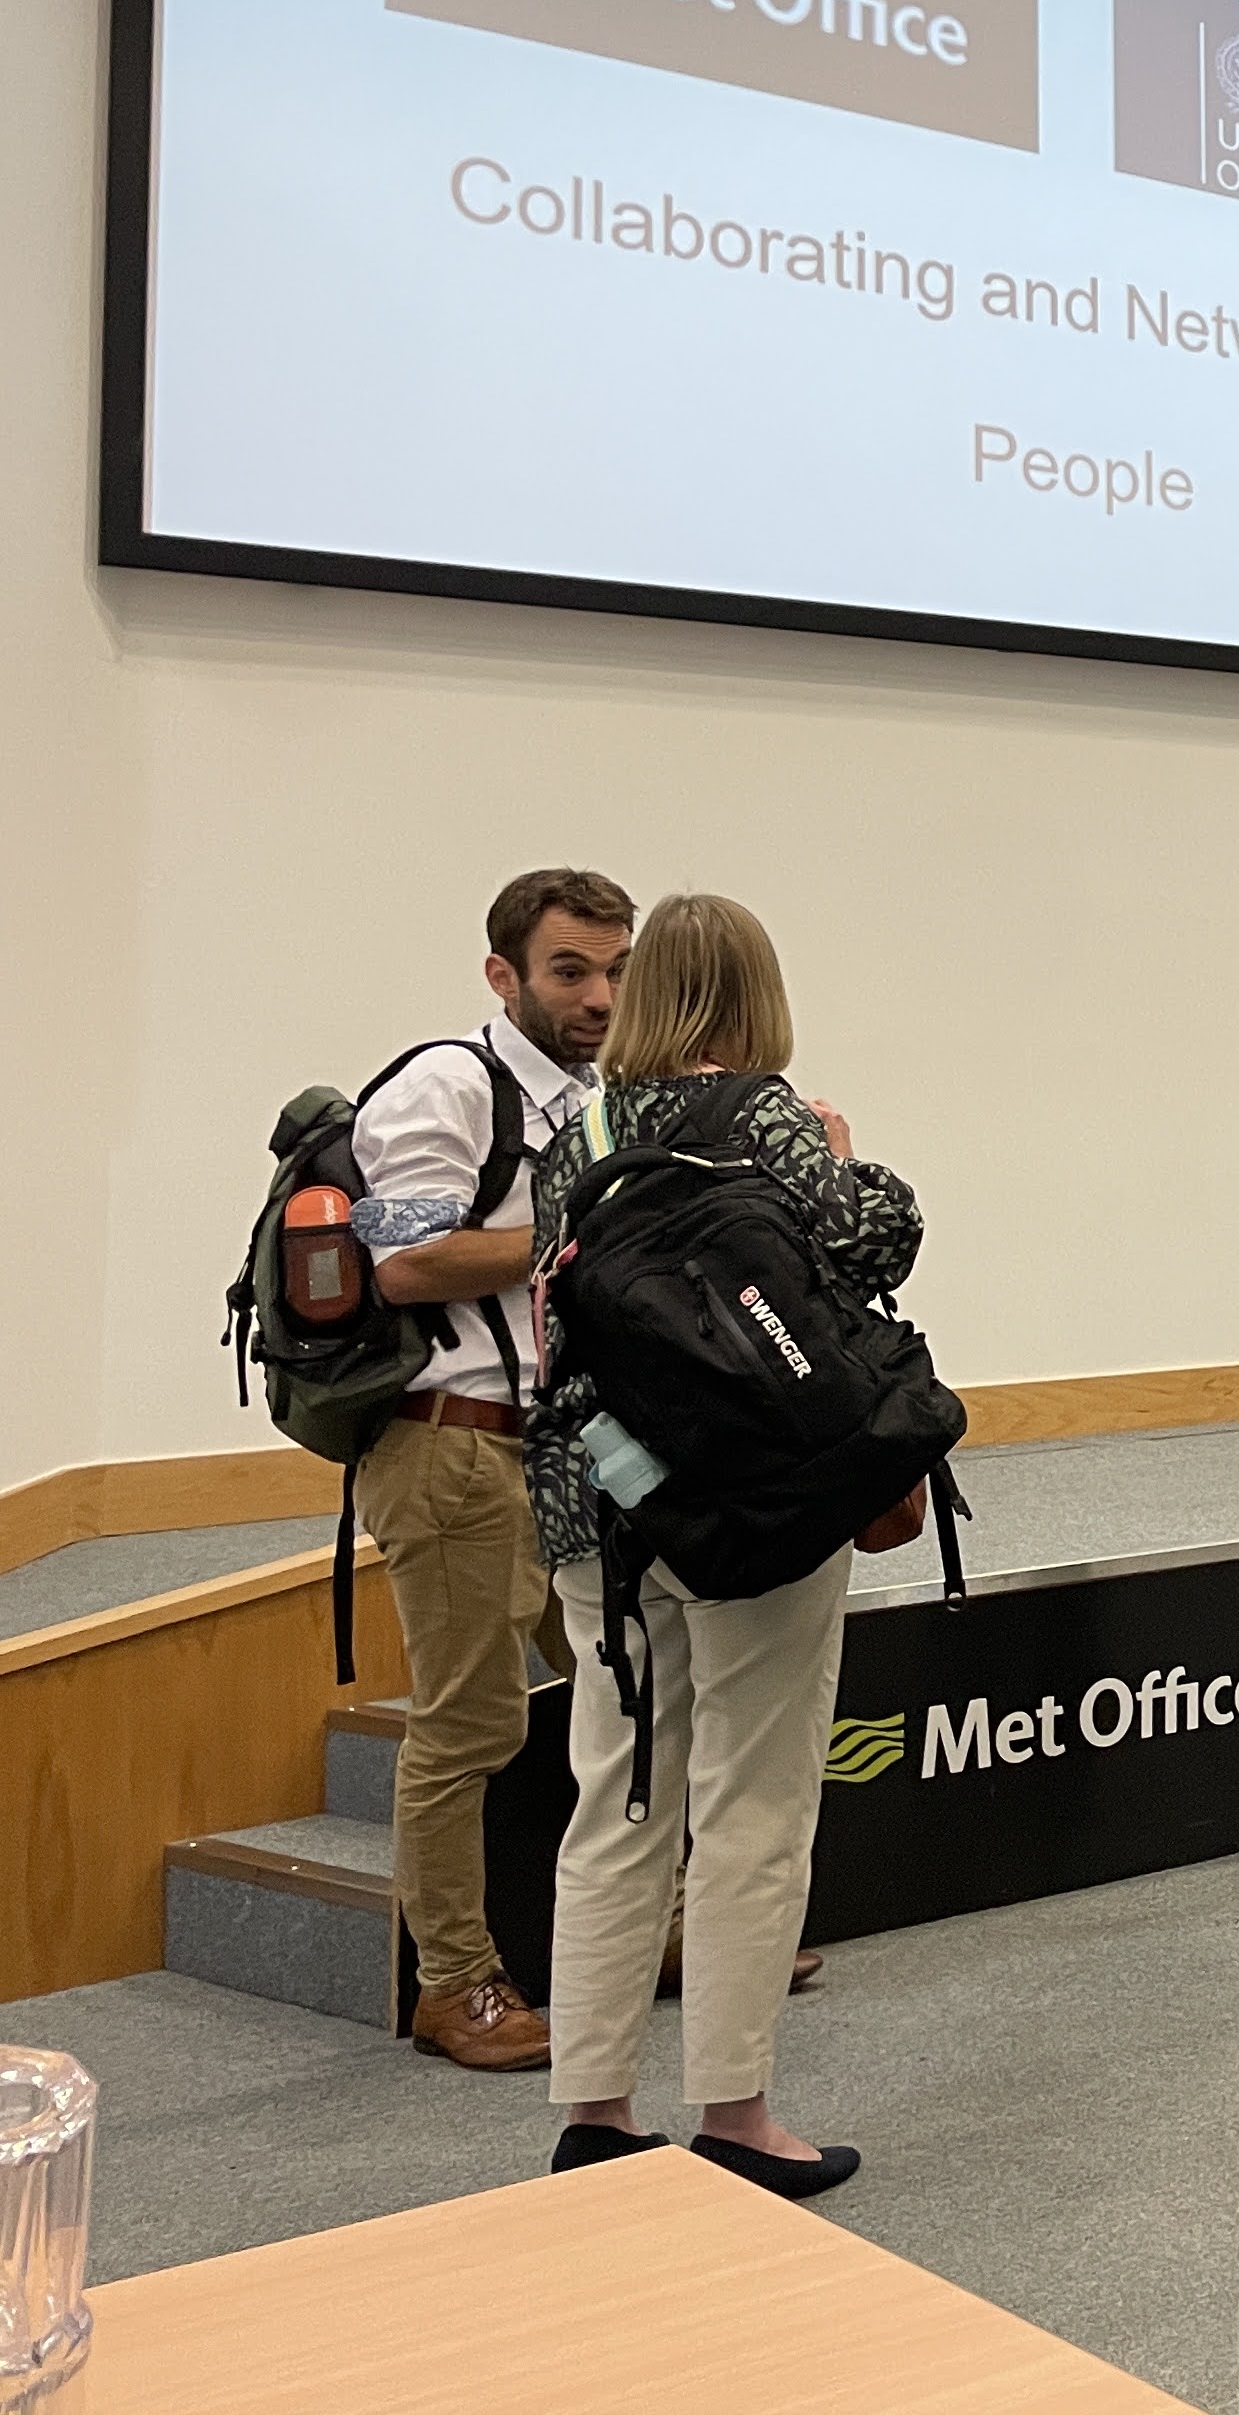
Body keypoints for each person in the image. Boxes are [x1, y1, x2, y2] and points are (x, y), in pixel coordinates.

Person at [530, 894, 911, 2200]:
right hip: (755, 1503)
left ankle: (593, 2111)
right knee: (752, 1800)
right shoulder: (766, 1115)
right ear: (757, 994)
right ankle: (737, 2115)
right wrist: (849, 1162)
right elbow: (872, 1250)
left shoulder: (575, 1133)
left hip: (598, 1499)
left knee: (615, 1798)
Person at [349, 865, 635, 2073]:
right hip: (451, 1445)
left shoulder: (593, 1100)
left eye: (614, 971)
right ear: (502, 974)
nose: (600, 997)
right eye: (570, 971)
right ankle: (453, 1984)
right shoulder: (446, 1087)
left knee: (632, 1678)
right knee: (467, 1727)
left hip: (565, 1446)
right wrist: (575, 1238)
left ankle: (650, 1929)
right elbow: (403, 1266)